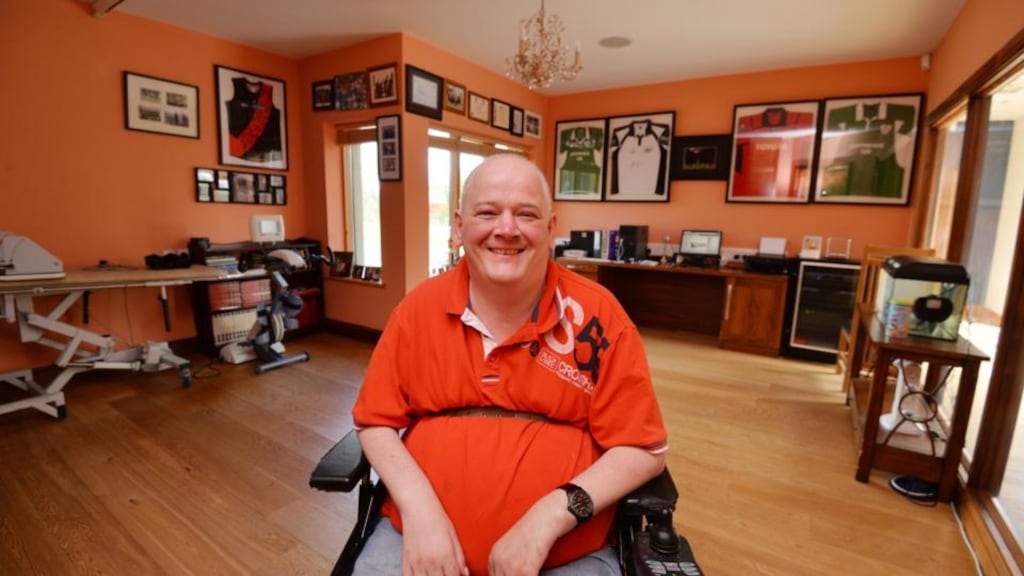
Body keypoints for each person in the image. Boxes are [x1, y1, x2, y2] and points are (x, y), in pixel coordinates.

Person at [352, 153, 668, 575]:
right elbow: (375, 421)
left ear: (551, 228)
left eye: (526, 214)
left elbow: (643, 449)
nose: (506, 229)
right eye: (488, 213)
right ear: (460, 227)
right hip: (415, 543)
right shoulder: (417, 310)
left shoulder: (599, 316)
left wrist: (551, 516)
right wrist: (420, 513)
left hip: (567, 553)